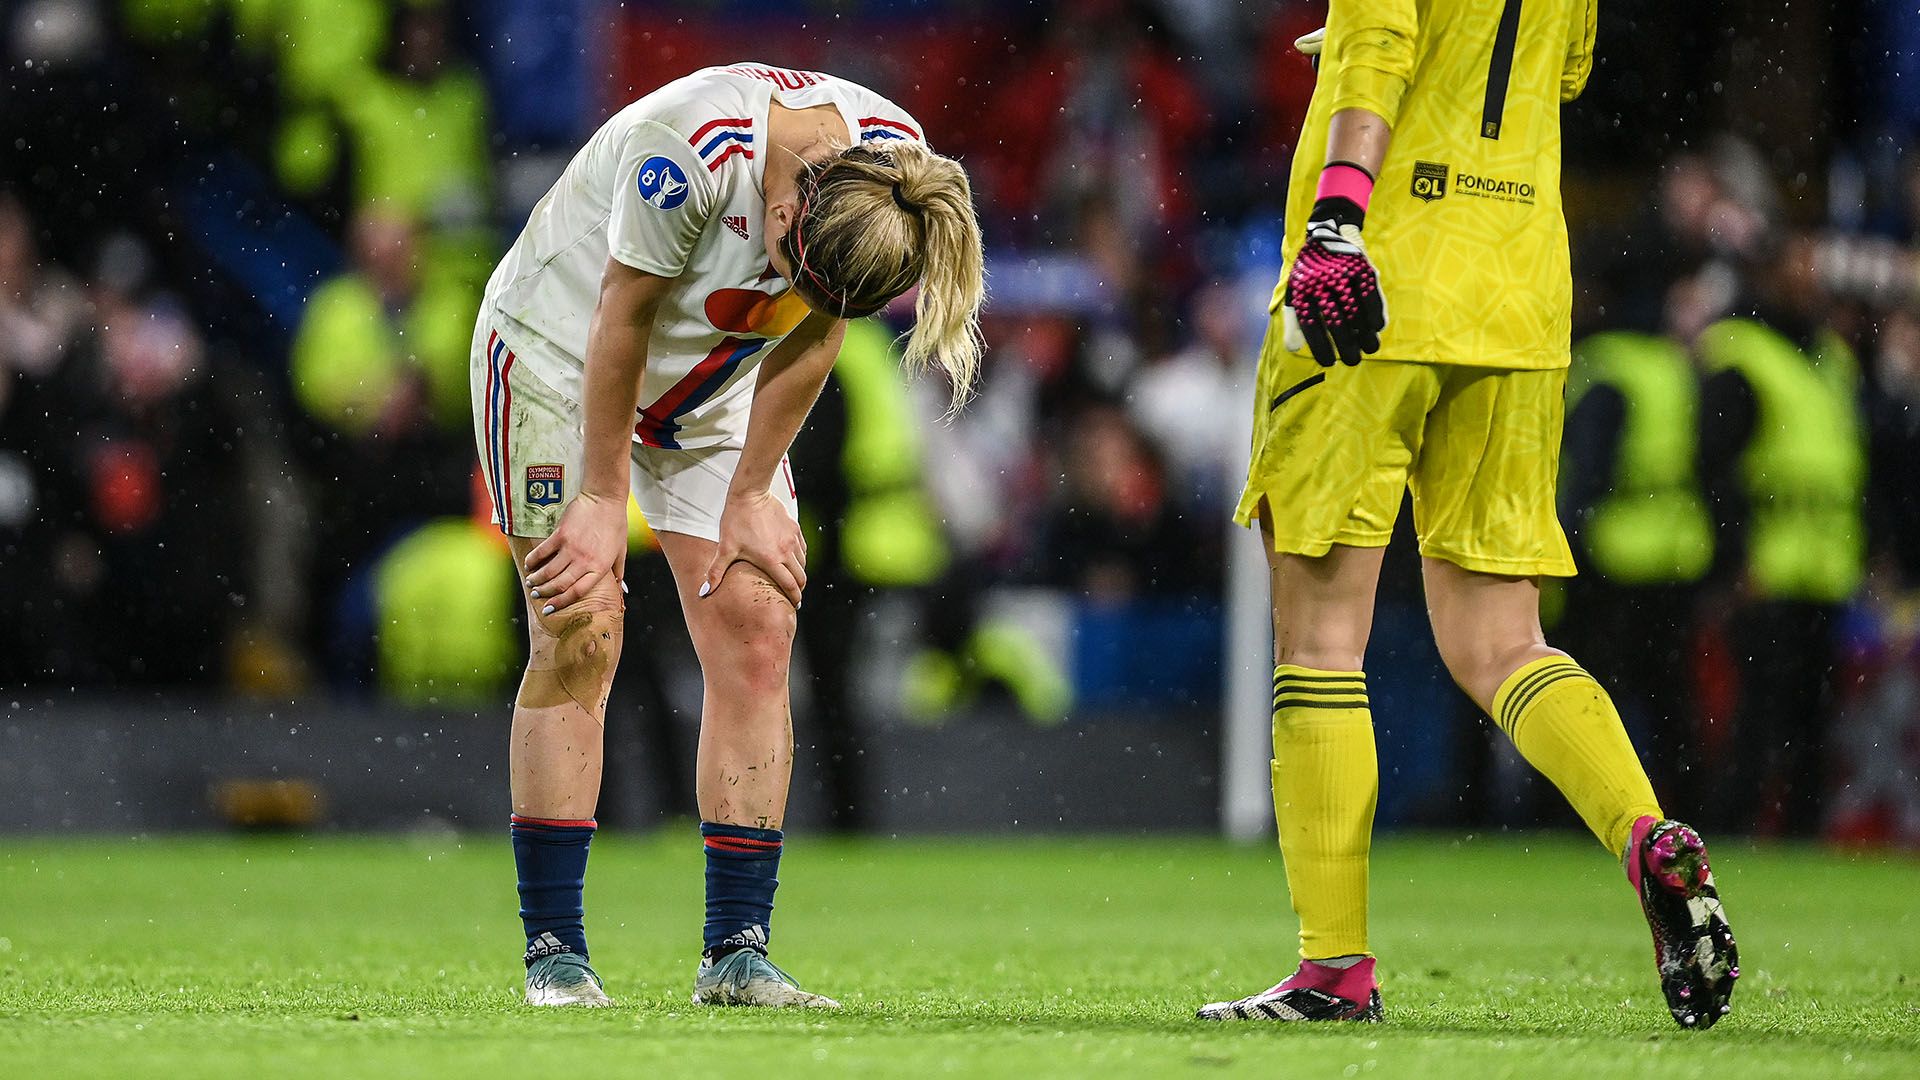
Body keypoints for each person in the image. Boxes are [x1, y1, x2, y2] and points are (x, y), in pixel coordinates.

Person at [1196, 9, 1738, 1030]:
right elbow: (1559, 70)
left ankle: (1333, 971)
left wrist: (1336, 220)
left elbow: (1380, 54)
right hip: (1518, 295)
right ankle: (1642, 835)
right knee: (1501, 640)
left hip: (1376, 281)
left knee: (1319, 641)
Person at [470, 63, 984, 1008]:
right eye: (789, 264)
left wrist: (752, 489)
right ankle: (557, 955)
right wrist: (598, 498)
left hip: (708, 382)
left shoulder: (886, 174)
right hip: (556, 352)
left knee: (759, 628)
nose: (793, 282)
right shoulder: (694, 148)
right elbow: (621, 316)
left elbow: (815, 329)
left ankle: (736, 955)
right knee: (582, 626)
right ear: (787, 206)